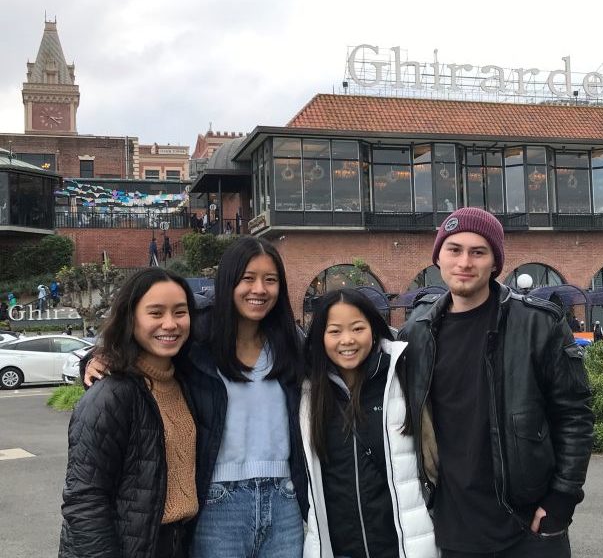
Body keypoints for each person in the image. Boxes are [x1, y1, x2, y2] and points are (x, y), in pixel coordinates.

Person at [85, 237, 307, 557]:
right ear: (228, 281)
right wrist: (96, 358)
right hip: (219, 503)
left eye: (270, 280)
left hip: (285, 500)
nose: (259, 289)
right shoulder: (198, 333)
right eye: (247, 278)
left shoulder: (291, 341)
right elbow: (145, 342)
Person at [399, 207, 594, 558]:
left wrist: (563, 497)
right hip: (452, 527)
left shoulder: (538, 324)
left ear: (494, 262)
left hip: (527, 526)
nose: (465, 262)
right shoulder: (417, 332)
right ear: (438, 257)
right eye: (454, 249)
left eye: (478, 252)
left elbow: (574, 415)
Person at [59, 268, 198, 558]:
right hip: (131, 547)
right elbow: (85, 500)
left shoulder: (185, 383)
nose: (170, 324)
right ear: (130, 318)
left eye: (180, 312)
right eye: (156, 313)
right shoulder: (111, 394)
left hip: (181, 543)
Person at [301, 288, 437, 558]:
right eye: (335, 331)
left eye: (357, 328)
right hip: (339, 548)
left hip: (400, 546)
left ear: (374, 330)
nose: (347, 340)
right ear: (320, 337)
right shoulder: (308, 392)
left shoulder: (401, 377)